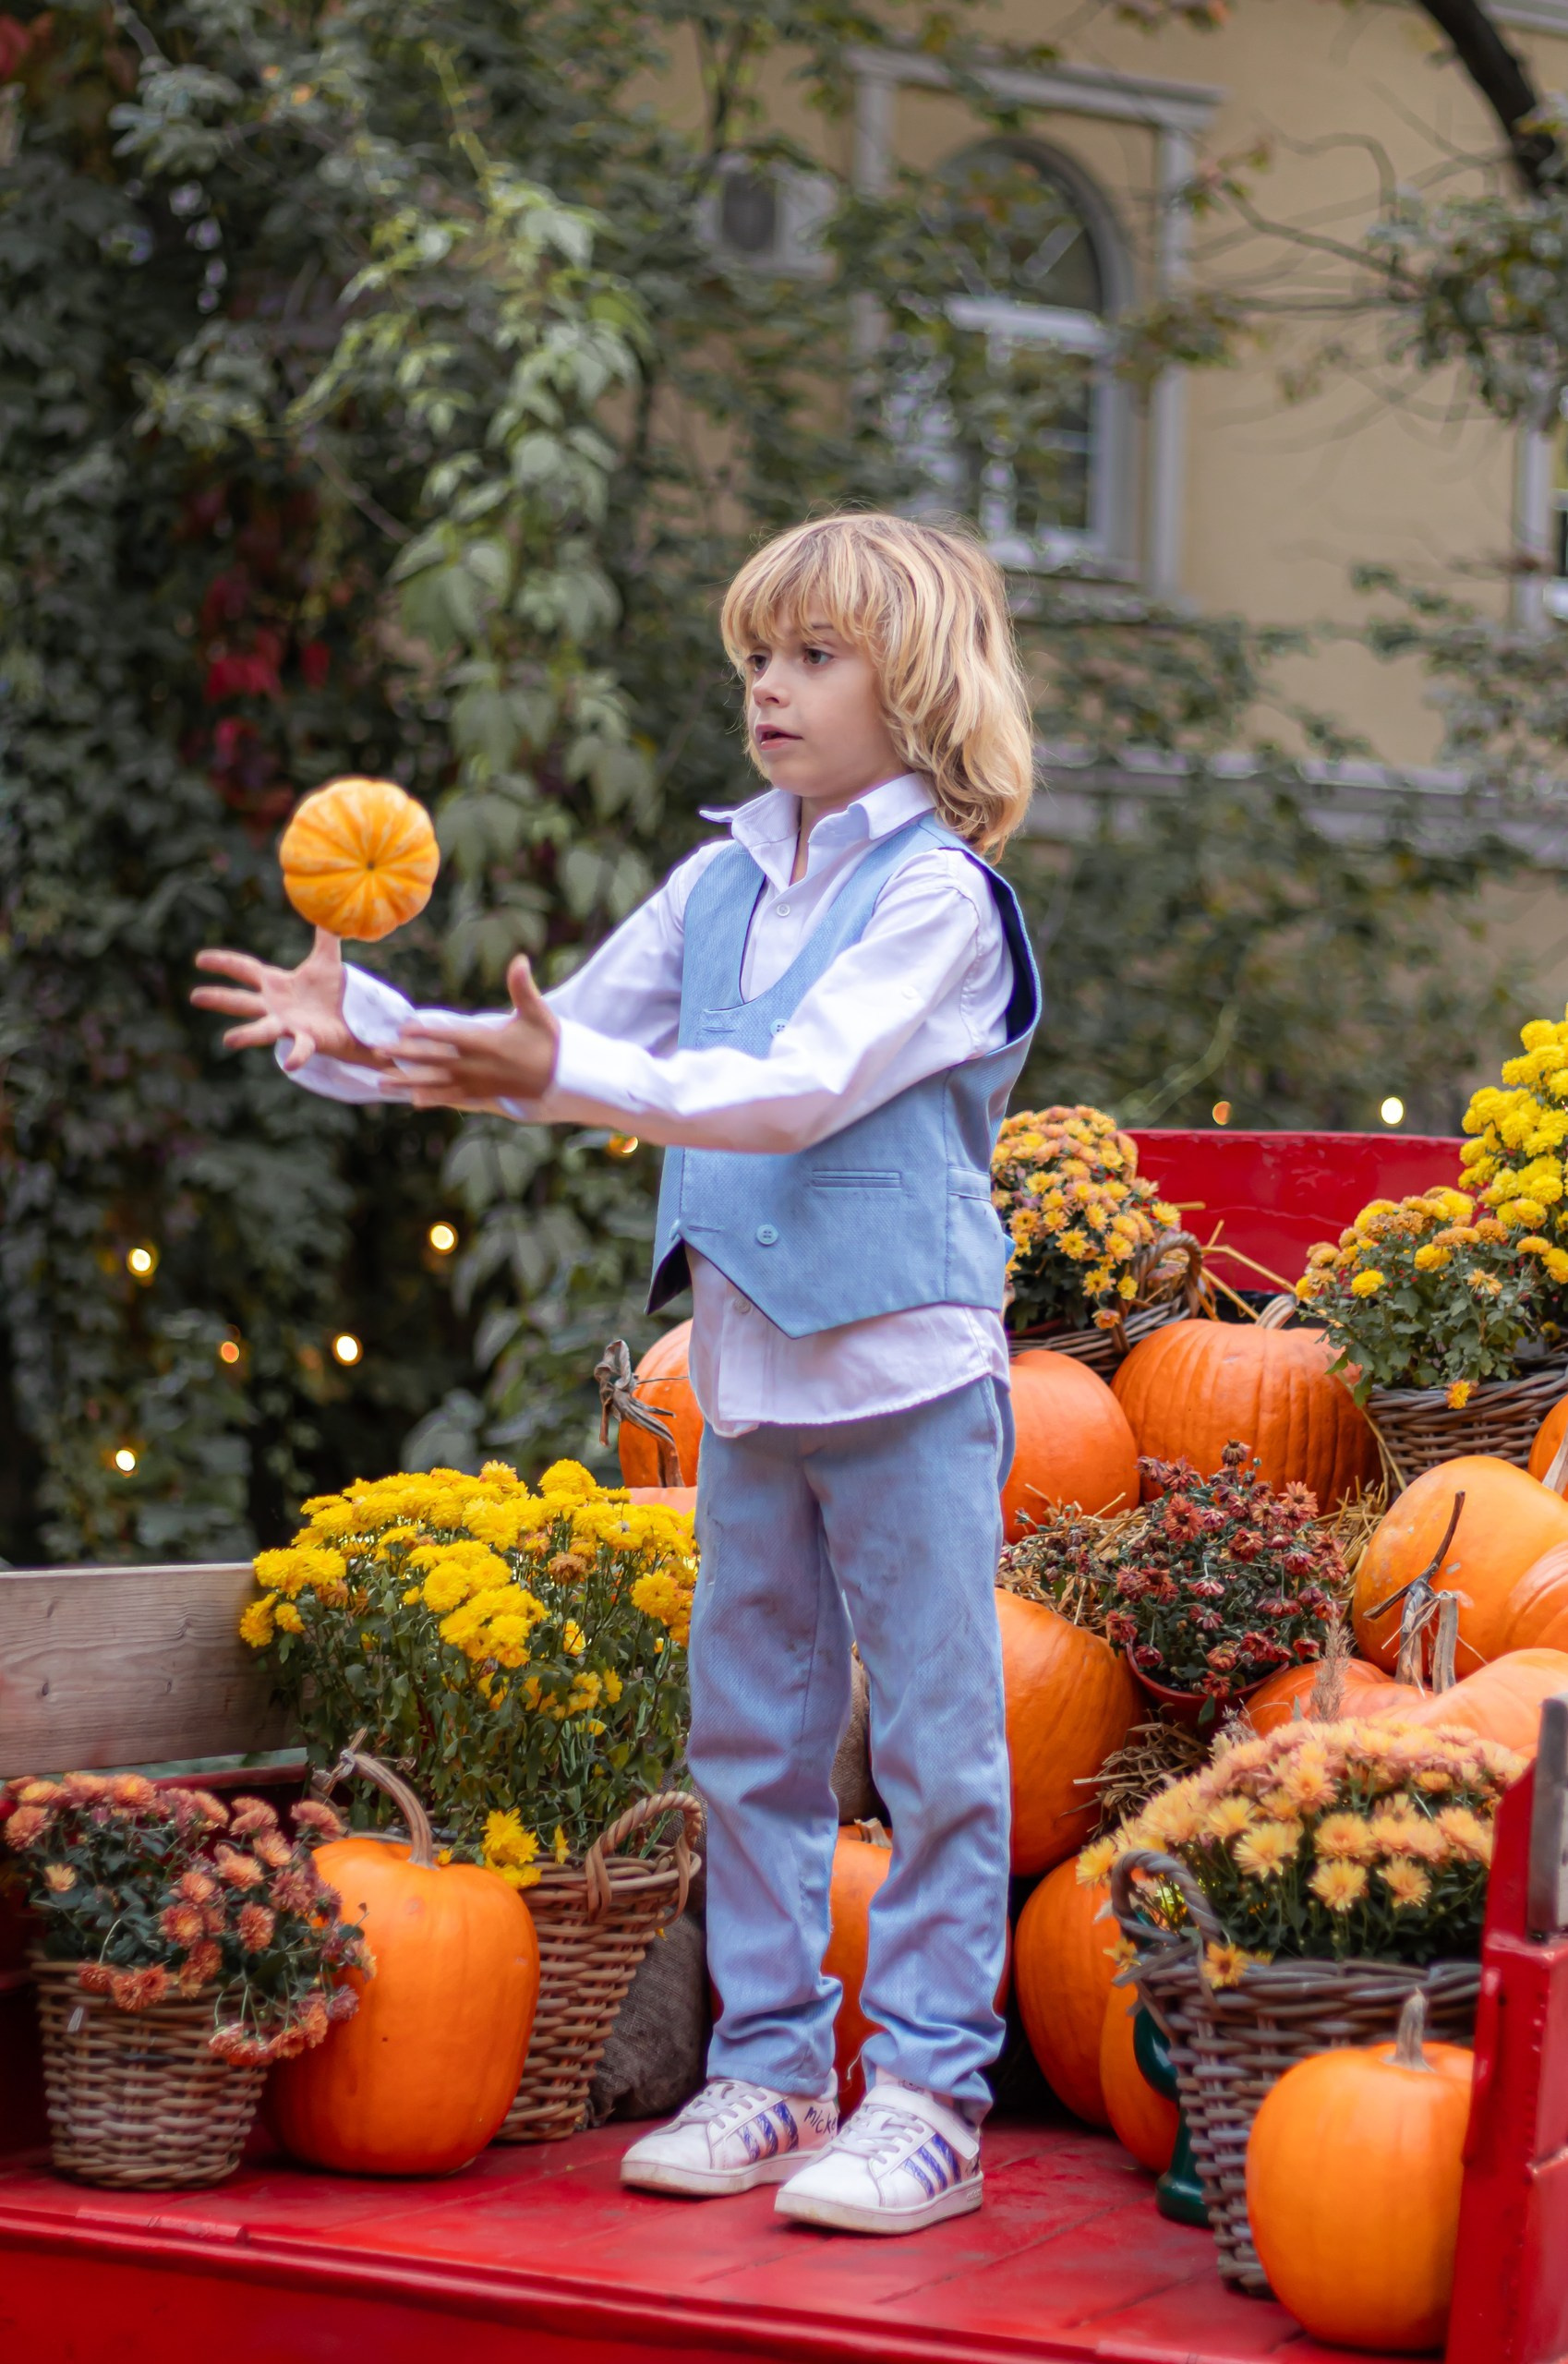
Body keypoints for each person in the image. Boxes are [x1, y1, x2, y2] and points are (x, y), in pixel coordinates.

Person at [192, 512, 1041, 2236]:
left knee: (936, 1756)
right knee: (747, 1742)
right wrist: (364, 1036)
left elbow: (794, 1087)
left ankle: (932, 2100)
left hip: (904, 1374)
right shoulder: (720, 878)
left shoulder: (938, 900)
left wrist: (557, 1067)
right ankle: (774, 2071)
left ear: (921, 685)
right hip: (747, 1382)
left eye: (815, 657)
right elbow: (561, 1038)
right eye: (756, 657)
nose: (769, 688)